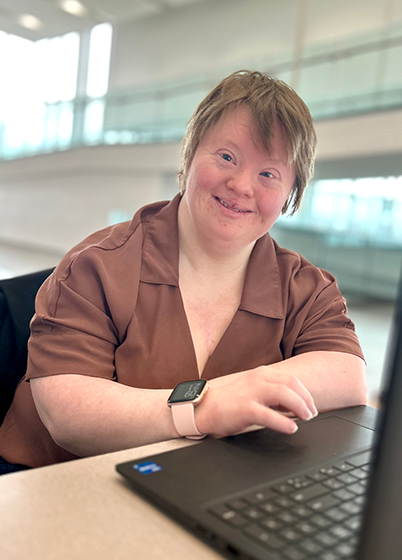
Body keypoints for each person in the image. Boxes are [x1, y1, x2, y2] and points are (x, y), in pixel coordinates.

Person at [0, 70, 366, 472]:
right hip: (59, 485)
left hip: (198, 481)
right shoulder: (97, 266)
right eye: (227, 157)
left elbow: (347, 379)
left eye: (268, 174)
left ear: (291, 194)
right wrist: (205, 407)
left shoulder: (307, 288)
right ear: (191, 155)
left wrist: (234, 394)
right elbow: (68, 415)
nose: (242, 184)